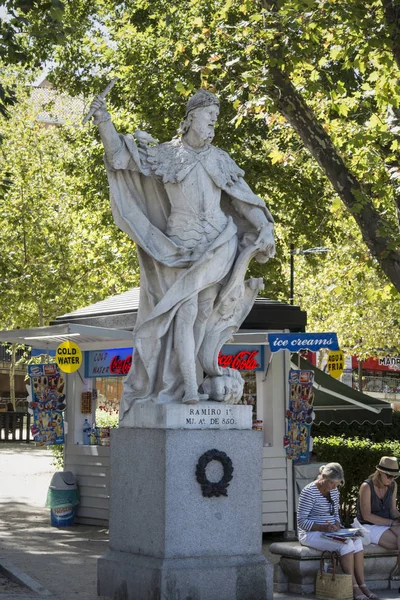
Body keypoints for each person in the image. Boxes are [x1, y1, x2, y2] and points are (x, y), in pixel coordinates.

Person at [89, 89, 275, 420]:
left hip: (219, 242)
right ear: (190, 119)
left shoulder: (219, 158)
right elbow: (121, 157)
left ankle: (196, 379)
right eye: (208, 118)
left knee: (204, 314)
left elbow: (244, 198)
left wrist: (264, 227)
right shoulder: (166, 154)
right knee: (185, 314)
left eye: (216, 120)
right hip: (180, 248)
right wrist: (104, 120)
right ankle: (188, 386)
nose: (212, 125)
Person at [298, 462, 378, 600]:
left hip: (329, 531)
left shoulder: (334, 491)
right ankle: (354, 588)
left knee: (357, 541)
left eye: (337, 484)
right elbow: (301, 522)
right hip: (310, 533)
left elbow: (335, 515)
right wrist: (323, 527)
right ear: (323, 477)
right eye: (332, 484)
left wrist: (336, 525)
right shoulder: (309, 492)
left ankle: (362, 585)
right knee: (345, 545)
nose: (334, 487)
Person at [357, 456, 400, 580]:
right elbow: (367, 515)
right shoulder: (366, 486)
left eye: (394, 476)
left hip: (387, 523)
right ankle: (397, 572)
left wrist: (398, 518)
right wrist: (391, 523)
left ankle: (398, 569)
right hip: (368, 525)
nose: (391, 479)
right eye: (389, 476)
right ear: (380, 473)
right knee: (396, 541)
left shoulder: (393, 485)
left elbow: (392, 509)